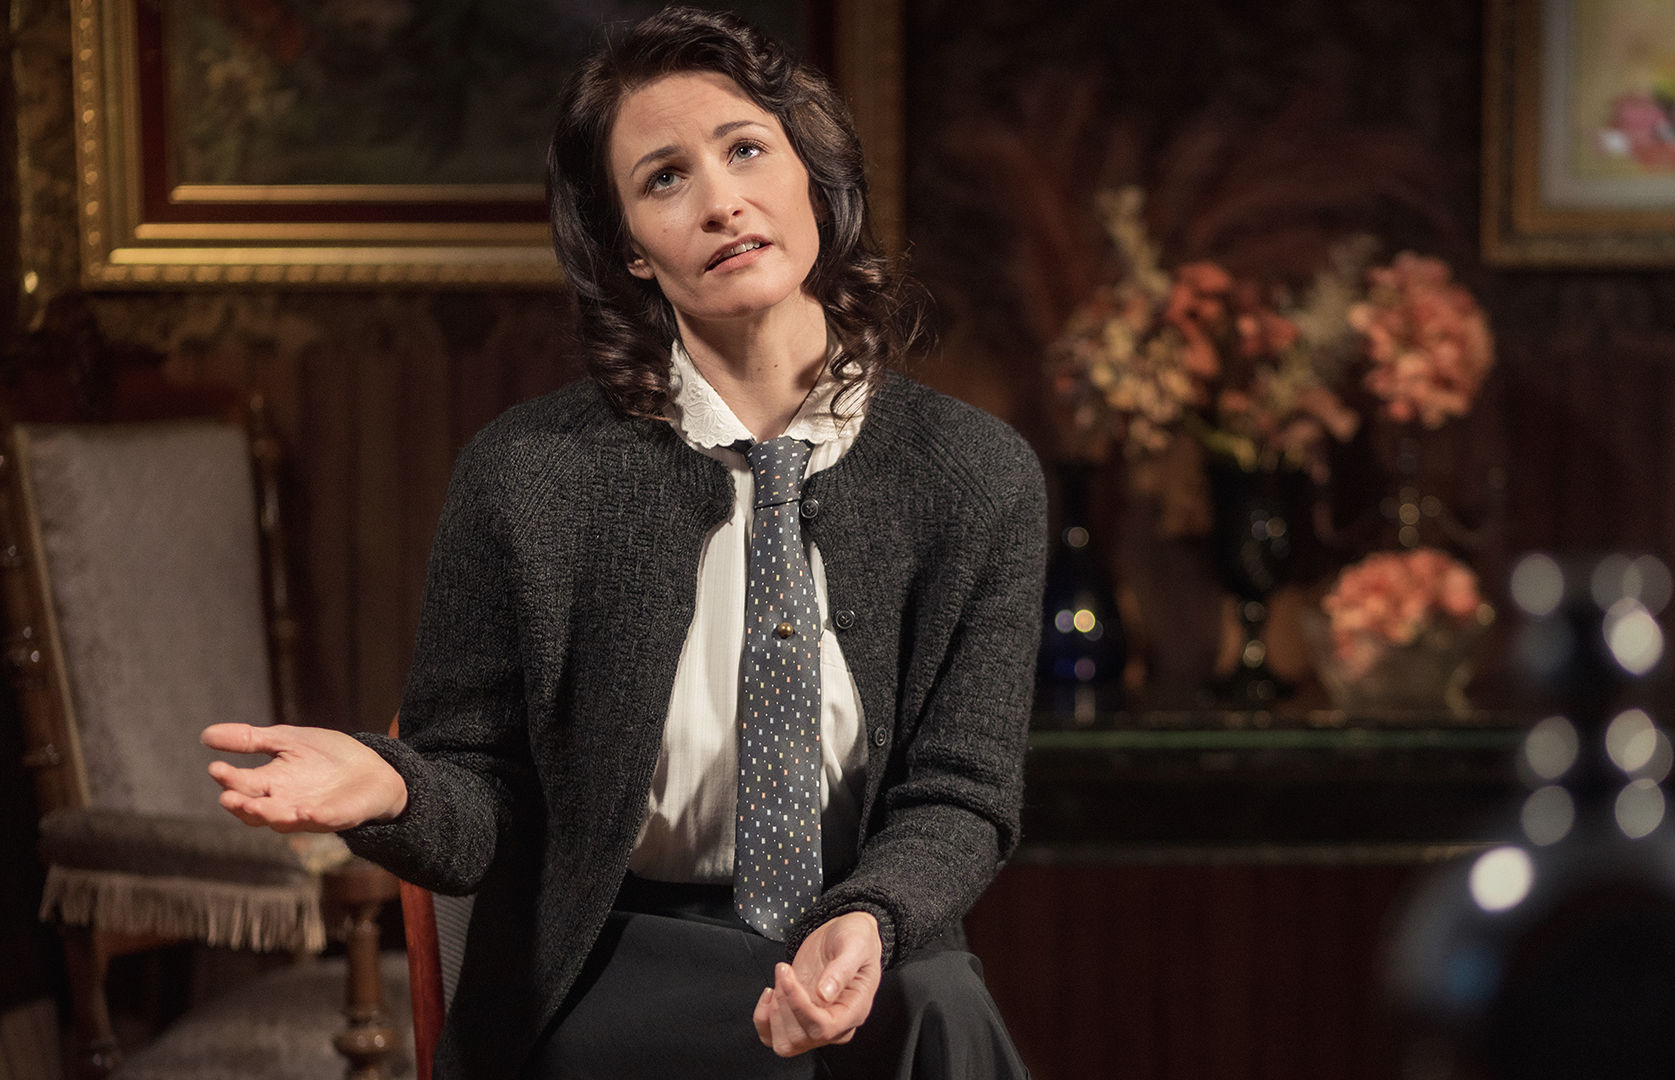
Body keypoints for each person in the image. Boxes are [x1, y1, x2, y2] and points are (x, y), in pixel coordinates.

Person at [201, 8, 1045, 1078]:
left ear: (812, 177)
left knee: (938, 1007)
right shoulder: (527, 476)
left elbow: (962, 795)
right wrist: (393, 788)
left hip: (867, 941)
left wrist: (873, 918)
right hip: (617, 955)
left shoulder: (976, 476)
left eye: (747, 149)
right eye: (665, 178)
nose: (721, 200)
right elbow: (483, 796)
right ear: (632, 251)